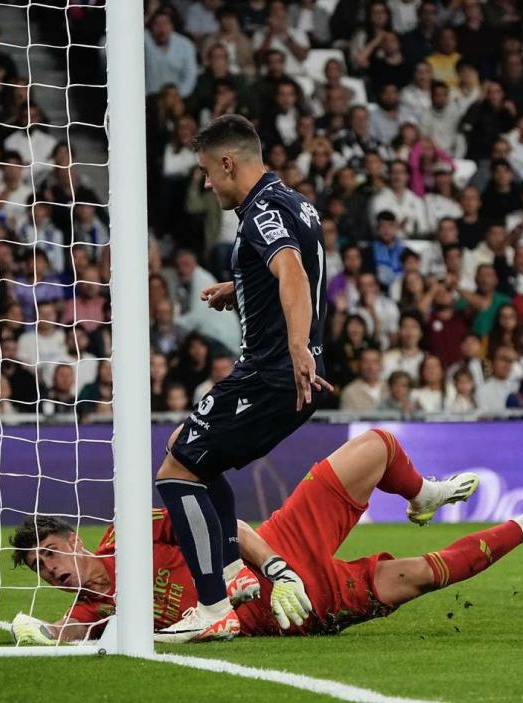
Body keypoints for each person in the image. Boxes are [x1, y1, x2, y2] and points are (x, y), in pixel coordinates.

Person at [9, 429, 523, 643]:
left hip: (277, 552)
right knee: (422, 575)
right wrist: (26, 627)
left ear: (74, 538)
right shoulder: (93, 607)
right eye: (39, 567)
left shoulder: (131, 535)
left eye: (49, 552)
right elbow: (62, 634)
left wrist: (271, 567)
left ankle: (419, 493)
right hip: (294, 612)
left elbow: (229, 528)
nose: (50, 568)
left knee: (376, 446)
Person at [157, 115, 332, 642]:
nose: (208, 184)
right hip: (283, 374)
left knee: (176, 474)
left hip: (273, 374)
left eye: (209, 172)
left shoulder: (261, 213)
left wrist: (298, 347)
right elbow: (287, 269)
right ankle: (233, 575)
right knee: (192, 459)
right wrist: (238, 288)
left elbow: (294, 273)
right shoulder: (296, 201)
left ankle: (212, 609)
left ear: (229, 162)